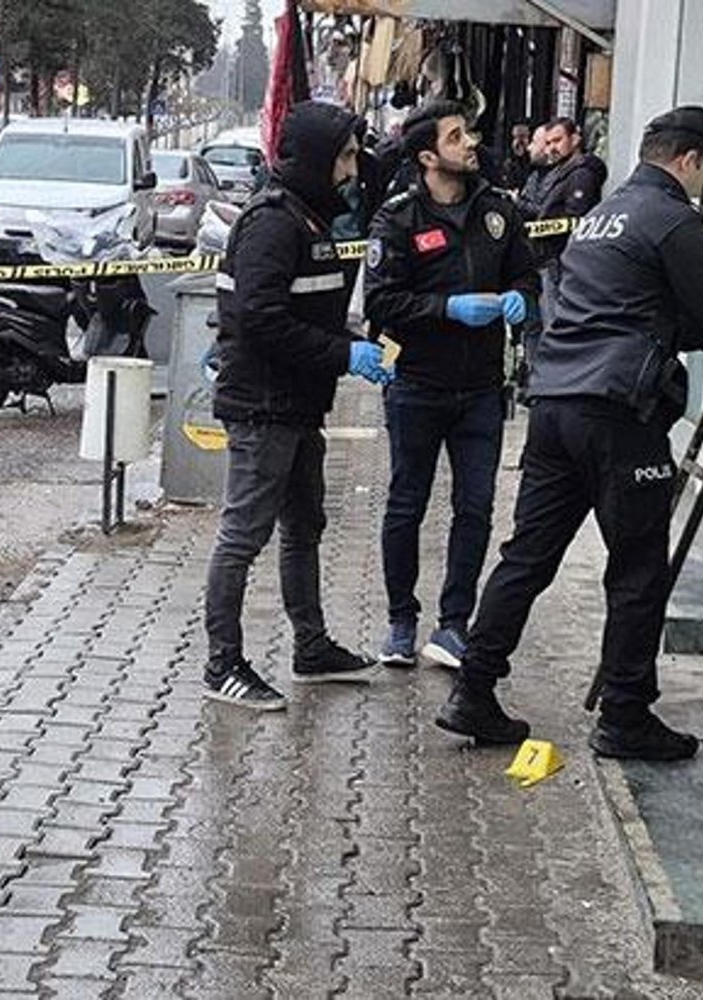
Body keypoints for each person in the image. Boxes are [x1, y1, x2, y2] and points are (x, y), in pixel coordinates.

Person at [436, 107, 703, 760]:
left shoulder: (600, 217)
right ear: (690, 160)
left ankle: (472, 689)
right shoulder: (675, 221)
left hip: (554, 404)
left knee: (527, 556)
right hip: (618, 414)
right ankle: (625, 716)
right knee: (638, 568)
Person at [202, 100, 394, 711]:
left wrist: (349, 346)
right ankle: (223, 663)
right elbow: (260, 320)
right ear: (315, 157)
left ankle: (310, 648)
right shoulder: (273, 222)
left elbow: (306, 305)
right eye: (343, 155)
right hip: (263, 405)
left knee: (304, 526)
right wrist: (344, 356)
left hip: (297, 405)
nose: (352, 167)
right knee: (243, 535)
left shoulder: (309, 216)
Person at [364, 100, 539, 671]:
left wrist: (521, 300)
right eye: (456, 136)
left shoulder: (497, 211)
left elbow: (526, 275)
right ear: (426, 155)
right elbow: (382, 302)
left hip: (482, 390)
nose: (471, 143)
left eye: (469, 133)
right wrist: (447, 309)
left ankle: (453, 624)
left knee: (476, 507)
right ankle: (400, 622)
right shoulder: (399, 218)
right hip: (416, 383)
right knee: (406, 504)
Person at [533, 116, 607, 310]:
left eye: (557, 141)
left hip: (559, 259)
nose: (551, 148)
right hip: (548, 257)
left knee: (554, 319)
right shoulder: (559, 171)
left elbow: (573, 220)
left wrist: (532, 230)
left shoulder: (581, 174)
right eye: (548, 143)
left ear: (575, 139)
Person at [500, 122, 533, 191]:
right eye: (515, 137)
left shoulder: (535, 162)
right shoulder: (507, 163)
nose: (519, 141)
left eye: (522, 136)